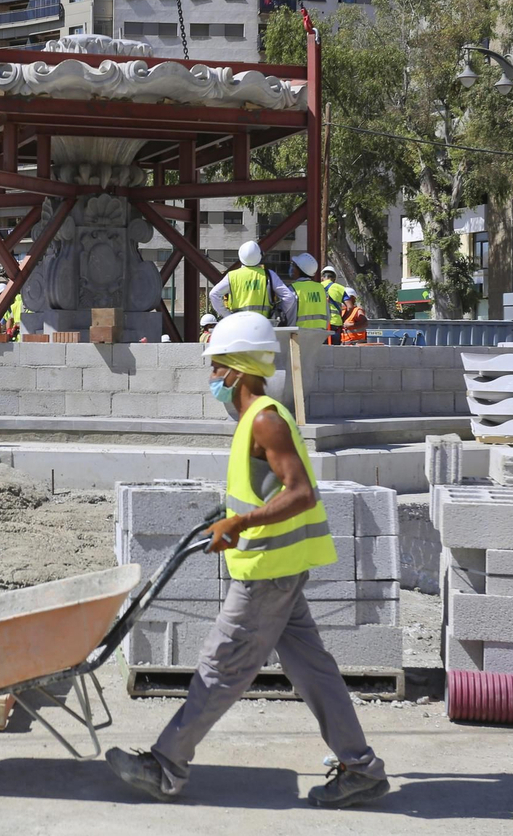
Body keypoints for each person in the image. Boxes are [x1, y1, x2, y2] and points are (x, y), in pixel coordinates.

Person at [106, 311, 390, 809]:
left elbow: (300, 491)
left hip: (267, 575)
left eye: (217, 368)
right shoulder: (251, 420)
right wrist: (232, 515)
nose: (212, 377)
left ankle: (166, 765)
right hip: (274, 570)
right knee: (313, 671)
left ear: (237, 369)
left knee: (221, 665)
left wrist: (239, 525)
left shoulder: (263, 418)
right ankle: (361, 768)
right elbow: (260, 490)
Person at [208, 241, 297, 325]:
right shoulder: (268, 274)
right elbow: (289, 298)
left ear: (240, 256)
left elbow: (214, 294)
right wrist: (278, 312)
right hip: (263, 324)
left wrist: (227, 316)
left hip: (239, 324)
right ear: (260, 256)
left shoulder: (232, 276)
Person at [287, 252, 331, 333]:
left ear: (299, 270)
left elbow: (290, 316)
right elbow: (328, 315)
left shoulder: (293, 289)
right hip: (319, 335)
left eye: (294, 266)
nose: (292, 269)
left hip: (298, 334)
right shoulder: (321, 288)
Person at [320, 265, 347, 345]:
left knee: (320, 353)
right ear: (334, 279)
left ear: (322, 277)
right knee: (334, 353)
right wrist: (343, 318)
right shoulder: (340, 288)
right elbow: (350, 306)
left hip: (320, 325)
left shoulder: (317, 287)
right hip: (335, 325)